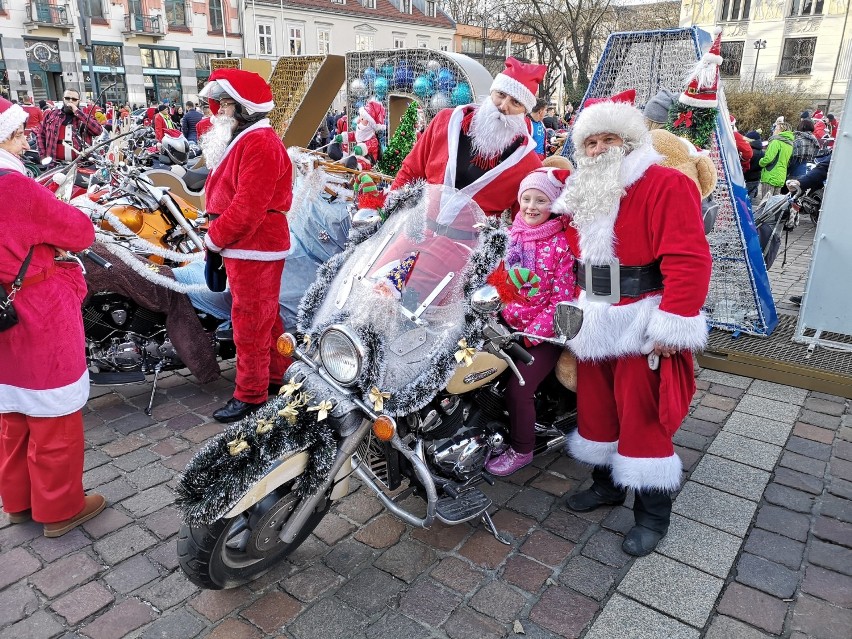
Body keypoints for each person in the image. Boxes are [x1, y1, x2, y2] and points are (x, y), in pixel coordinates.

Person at [556, 91, 712, 557]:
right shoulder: (585, 188)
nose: (598, 149)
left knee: (642, 415)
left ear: (630, 142)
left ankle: (652, 514)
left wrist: (672, 325)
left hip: (642, 314)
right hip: (594, 313)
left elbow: (690, 258)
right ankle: (606, 486)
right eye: (590, 142)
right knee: (597, 407)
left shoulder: (665, 184)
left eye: (609, 140)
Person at [0, 97, 106, 537]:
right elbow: (79, 232)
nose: (27, 138)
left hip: (2, 309)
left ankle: (18, 502)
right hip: (36, 307)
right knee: (53, 414)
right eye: (21, 132)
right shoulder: (13, 186)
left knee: (13, 414)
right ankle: (60, 509)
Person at [198, 69, 293, 423]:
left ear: (242, 107)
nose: (219, 111)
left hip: (253, 245)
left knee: (250, 322)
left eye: (225, 104)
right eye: (220, 103)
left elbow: (247, 208)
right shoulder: (248, 138)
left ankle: (250, 394)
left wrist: (214, 238)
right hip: (244, 245)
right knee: (264, 319)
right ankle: (278, 376)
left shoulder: (260, 143)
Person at [484, 167, 575, 476]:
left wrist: (530, 334)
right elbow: (497, 280)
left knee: (518, 388)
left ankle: (521, 449)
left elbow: (560, 301)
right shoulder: (512, 236)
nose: (532, 207)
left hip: (543, 335)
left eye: (541, 200)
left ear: (554, 205)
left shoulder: (561, 246)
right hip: (505, 326)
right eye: (527, 199)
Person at [391, 56, 545, 217]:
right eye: (501, 94)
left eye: (515, 103)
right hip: (420, 233)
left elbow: (524, 223)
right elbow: (410, 171)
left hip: (473, 241)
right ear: (491, 92)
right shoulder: (445, 121)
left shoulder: (528, 163)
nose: (503, 106)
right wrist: (388, 214)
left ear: (524, 111)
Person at [36, 88, 103, 163]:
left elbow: (98, 131)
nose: (70, 101)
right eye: (67, 98)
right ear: (63, 99)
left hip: (80, 165)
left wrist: (77, 112)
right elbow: (40, 134)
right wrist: (43, 156)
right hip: (54, 164)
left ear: (78, 101)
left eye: (74, 99)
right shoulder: (51, 115)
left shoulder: (85, 117)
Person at [328, 99, 385, 170]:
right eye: (360, 117)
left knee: (356, 162)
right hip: (357, 156)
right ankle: (341, 156)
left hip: (368, 160)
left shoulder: (373, 140)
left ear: (370, 124)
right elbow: (352, 135)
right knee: (347, 158)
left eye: (362, 119)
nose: (358, 121)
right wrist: (342, 137)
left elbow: (369, 146)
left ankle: (355, 166)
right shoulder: (361, 133)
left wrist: (361, 149)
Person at [757, 120, 793, 201]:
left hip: (770, 175)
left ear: (781, 131)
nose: (774, 131)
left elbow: (768, 158)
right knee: (774, 204)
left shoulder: (776, 142)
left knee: (765, 203)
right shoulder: (789, 144)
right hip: (781, 176)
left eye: (776, 129)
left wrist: (761, 162)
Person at [743, 131, 765, 200]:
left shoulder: (750, 152)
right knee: (750, 200)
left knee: (743, 199)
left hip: (747, 179)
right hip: (756, 178)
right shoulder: (763, 152)